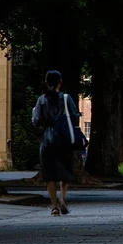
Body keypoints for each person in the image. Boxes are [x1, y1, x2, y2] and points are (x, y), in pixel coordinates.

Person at [32, 70, 80, 216]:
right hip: (63, 139)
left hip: (47, 140)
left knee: (49, 174)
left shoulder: (41, 100)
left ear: (47, 82)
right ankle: (62, 199)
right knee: (65, 171)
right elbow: (75, 116)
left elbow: (36, 121)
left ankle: (53, 207)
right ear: (60, 82)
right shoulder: (66, 98)